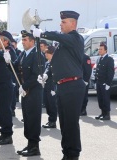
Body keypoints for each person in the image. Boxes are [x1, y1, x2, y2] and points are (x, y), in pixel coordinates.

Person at [33, 11, 85, 160]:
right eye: (60, 22)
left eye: (64, 22)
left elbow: (58, 36)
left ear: (73, 23)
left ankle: (73, 154)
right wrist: (46, 74)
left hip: (73, 86)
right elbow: (55, 61)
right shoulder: (64, 43)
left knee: (71, 123)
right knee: (64, 123)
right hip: (63, 86)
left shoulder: (75, 38)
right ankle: (66, 153)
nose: (60, 24)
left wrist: (43, 33)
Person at [5, 30, 44, 156]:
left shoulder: (37, 55)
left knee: (33, 119)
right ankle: (30, 144)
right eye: (22, 40)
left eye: (25, 40)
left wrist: (24, 86)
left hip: (33, 92)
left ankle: (35, 147)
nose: (23, 42)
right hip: (25, 92)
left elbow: (36, 75)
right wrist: (8, 62)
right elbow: (15, 68)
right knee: (27, 119)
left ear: (33, 41)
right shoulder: (23, 54)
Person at [0, 31, 16, 145]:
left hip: (5, 85)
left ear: (6, 41)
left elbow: (10, 60)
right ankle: (3, 132)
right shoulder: (2, 52)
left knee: (5, 110)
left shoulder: (10, 51)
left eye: (0, 39)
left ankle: (8, 135)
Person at [94, 42, 114, 120]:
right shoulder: (99, 58)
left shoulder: (109, 59)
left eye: (101, 49)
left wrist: (108, 84)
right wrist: (96, 81)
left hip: (105, 83)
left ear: (106, 50)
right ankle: (102, 113)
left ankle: (107, 115)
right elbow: (97, 71)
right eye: (99, 49)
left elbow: (110, 72)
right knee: (100, 99)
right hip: (99, 82)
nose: (99, 50)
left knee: (105, 99)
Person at [42, 46, 58, 128]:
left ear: (52, 54)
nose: (45, 54)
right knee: (47, 103)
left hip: (53, 86)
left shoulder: (55, 62)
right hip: (46, 86)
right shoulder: (47, 62)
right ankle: (50, 120)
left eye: (47, 53)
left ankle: (53, 121)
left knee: (52, 104)